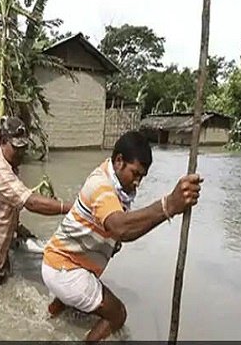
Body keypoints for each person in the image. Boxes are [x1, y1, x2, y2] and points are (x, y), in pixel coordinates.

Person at [41, 131, 204, 341]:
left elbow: (119, 227)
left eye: (142, 177)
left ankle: (48, 317)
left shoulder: (113, 180)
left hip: (56, 261)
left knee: (76, 298)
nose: (137, 182)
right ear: (119, 161)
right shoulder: (101, 185)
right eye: (135, 174)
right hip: (65, 270)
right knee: (117, 314)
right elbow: (121, 228)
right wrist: (168, 205)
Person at [0, 116, 72, 315]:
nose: (20, 153)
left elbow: (7, 207)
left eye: (24, 148)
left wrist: (20, 230)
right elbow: (31, 202)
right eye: (16, 147)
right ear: (2, 142)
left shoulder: (11, 167)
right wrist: (69, 207)